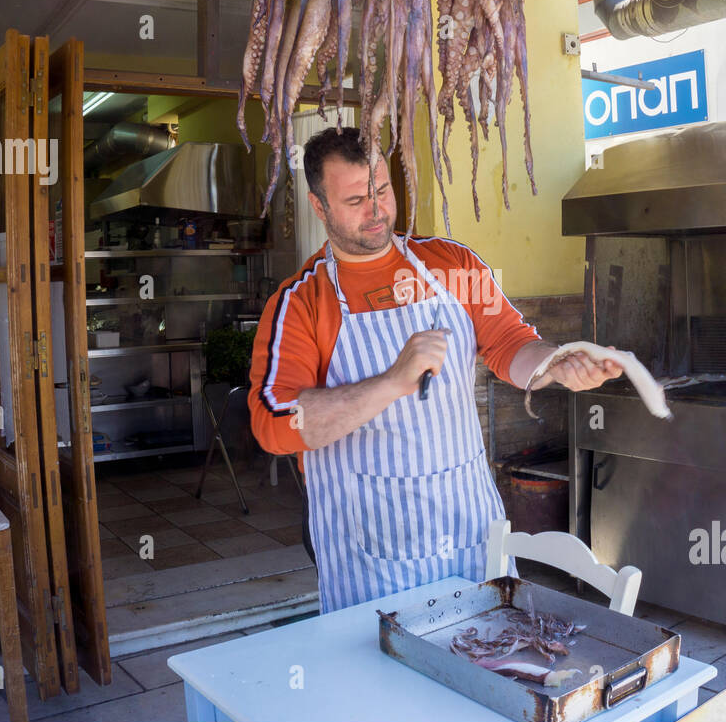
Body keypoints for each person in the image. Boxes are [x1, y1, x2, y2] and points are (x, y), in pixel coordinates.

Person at [248, 126, 622, 612]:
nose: (377, 209)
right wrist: (389, 383)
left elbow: (510, 344)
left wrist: (555, 363)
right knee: (386, 679)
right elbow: (275, 423)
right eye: (356, 199)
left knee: (490, 661)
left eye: (382, 189)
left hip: (466, 523)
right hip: (371, 544)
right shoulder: (301, 304)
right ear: (320, 208)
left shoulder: (451, 264)